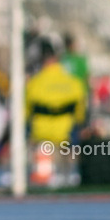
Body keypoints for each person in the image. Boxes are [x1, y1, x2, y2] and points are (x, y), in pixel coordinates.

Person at [26, 40, 86, 183]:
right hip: (66, 136)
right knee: (65, 177)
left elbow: (25, 114)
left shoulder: (34, 83)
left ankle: (41, 179)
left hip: (41, 136)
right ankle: (66, 178)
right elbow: (80, 115)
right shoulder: (74, 83)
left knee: (41, 179)